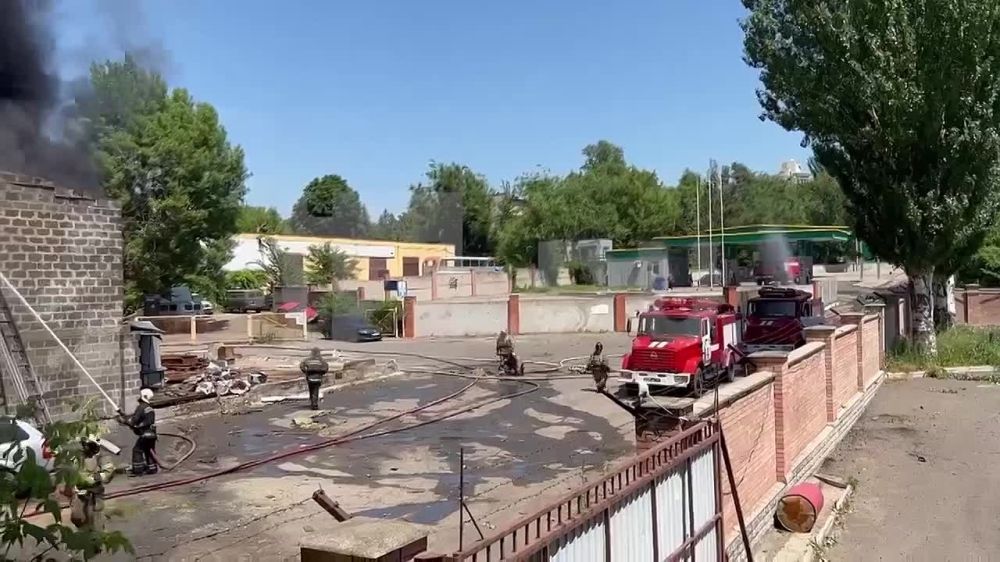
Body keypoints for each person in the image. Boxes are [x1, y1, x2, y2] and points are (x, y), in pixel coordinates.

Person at [70, 435, 115, 531]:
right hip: (79, 492)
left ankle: (99, 536)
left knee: (96, 517)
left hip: (95, 492)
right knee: (77, 517)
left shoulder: (102, 455)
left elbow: (109, 470)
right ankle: (84, 534)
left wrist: (96, 478)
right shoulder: (77, 455)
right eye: (84, 445)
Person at [118, 388, 157, 476]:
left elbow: (133, 421)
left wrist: (123, 421)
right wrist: (124, 415)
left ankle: (138, 470)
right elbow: (142, 421)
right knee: (148, 451)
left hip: (145, 435)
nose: (138, 397)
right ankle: (152, 469)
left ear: (143, 396)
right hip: (152, 434)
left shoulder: (141, 407)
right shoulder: (150, 408)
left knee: (137, 450)